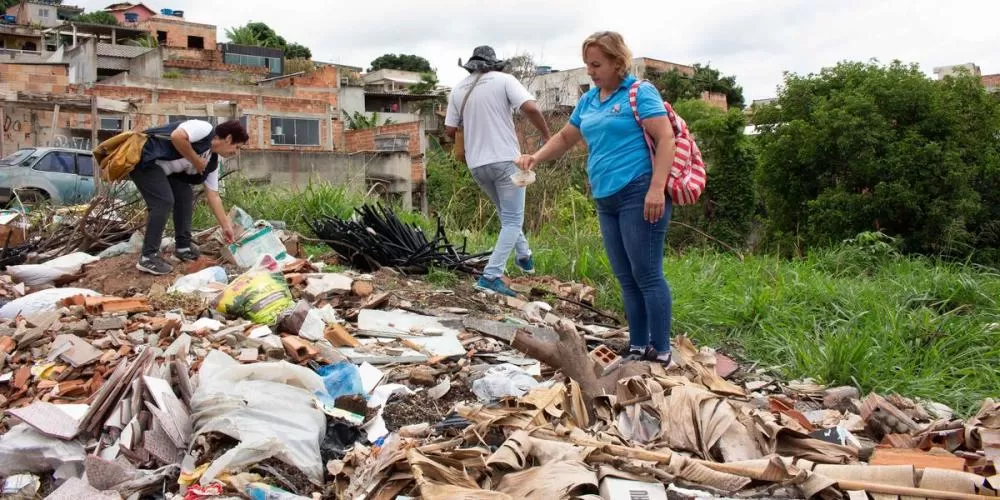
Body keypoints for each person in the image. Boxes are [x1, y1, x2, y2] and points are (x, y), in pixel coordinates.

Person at [515, 31, 677, 366]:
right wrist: (535, 157)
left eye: (596, 64)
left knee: (646, 273)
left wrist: (657, 188)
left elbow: (666, 138)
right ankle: (637, 346)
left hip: (639, 191)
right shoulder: (590, 100)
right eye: (587, 64)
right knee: (625, 275)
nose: (590, 71)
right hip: (607, 198)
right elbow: (565, 136)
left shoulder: (638, 92)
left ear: (618, 62)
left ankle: (660, 350)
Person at [445, 45, 552, 297]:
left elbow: (449, 130)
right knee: (514, 219)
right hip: (505, 160)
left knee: (507, 215)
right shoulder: (505, 80)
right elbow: (532, 108)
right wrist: (547, 135)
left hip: (476, 164)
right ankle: (492, 275)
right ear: (494, 64)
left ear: (471, 66)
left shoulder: (458, 89)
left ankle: (524, 256)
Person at [130, 119, 249, 276]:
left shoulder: (212, 161)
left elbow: (213, 195)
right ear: (228, 138)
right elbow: (177, 136)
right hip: (146, 161)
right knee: (163, 202)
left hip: (167, 173)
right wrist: (196, 160)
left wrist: (226, 227)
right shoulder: (204, 129)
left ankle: (183, 247)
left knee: (185, 196)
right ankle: (148, 257)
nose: (236, 152)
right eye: (237, 147)